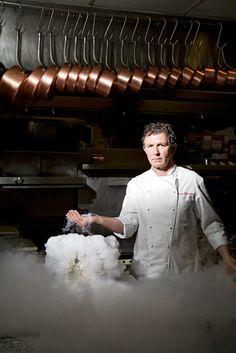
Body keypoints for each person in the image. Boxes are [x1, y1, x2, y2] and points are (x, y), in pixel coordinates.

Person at [67, 122, 236, 279]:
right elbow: (127, 225)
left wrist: (227, 258)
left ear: (173, 148)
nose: (156, 152)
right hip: (147, 274)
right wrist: (96, 219)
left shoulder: (191, 180)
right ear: (145, 149)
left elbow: (211, 224)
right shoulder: (137, 184)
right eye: (150, 146)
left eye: (161, 145)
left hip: (185, 272)